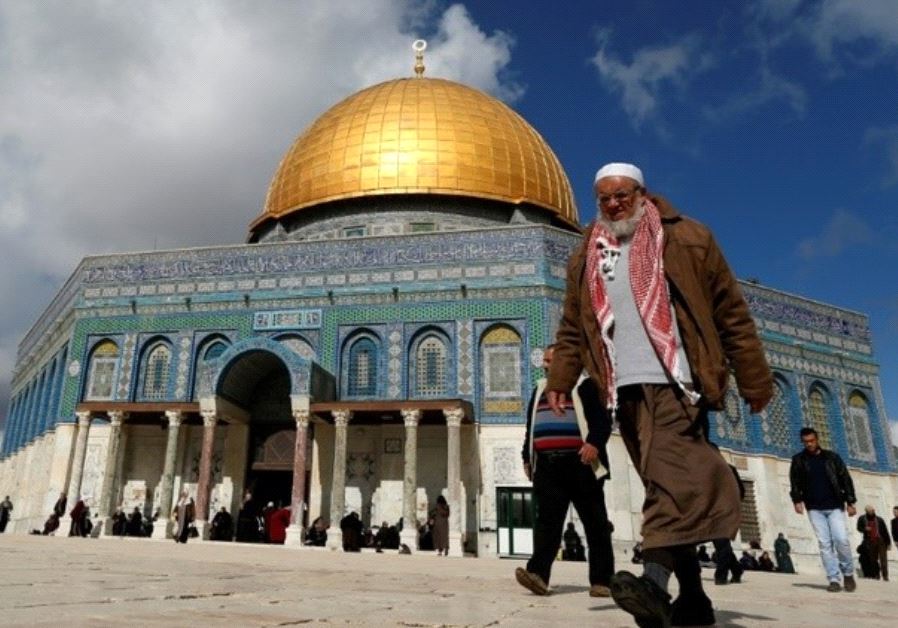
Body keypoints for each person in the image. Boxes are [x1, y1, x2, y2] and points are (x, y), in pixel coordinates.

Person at [546, 162, 773, 627]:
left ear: (642, 193)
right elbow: (573, 326)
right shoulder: (587, 253)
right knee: (664, 485)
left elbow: (730, 312)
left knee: (669, 483)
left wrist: (754, 378)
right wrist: (560, 380)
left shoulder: (687, 238)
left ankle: (653, 582)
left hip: (677, 383)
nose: (613, 204)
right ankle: (694, 601)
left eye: (622, 195)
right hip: (620, 390)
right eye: (604, 197)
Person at [516, 344, 615, 598]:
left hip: (580, 463)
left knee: (595, 523)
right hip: (547, 465)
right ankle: (538, 575)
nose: (545, 365)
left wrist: (594, 443)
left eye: (550, 361)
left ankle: (602, 581)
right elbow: (531, 427)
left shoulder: (585, 386)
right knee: (547, 523)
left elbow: (602, 420)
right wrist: (527, 457)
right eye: (545, 361)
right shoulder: (540, 389)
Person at [789, 427, 857, 592]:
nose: (809, 444)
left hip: (835, 506)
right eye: (806, 442)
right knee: (824, 544)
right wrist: (797, 500)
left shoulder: (832, 457)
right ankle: (833, 579)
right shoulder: (799, 460)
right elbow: (795, 481)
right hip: (814, 508)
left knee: (841, 540)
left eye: (811, 441)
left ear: (817, 439)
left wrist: (850, 501)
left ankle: (848, 573)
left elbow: (845, 478)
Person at [856, 505, 891, 581]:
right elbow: (858, 528)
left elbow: (885, 531)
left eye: (873, 510)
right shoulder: (862, 518)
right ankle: (876, 574)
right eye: (870, 511)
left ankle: (885, 576)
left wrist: (888, 543)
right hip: (870, 541)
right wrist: (865, 529)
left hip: (881, 541)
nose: (872, 512)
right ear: (866, 512)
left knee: (883, 559)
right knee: (873, 559)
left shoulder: (879, 519)